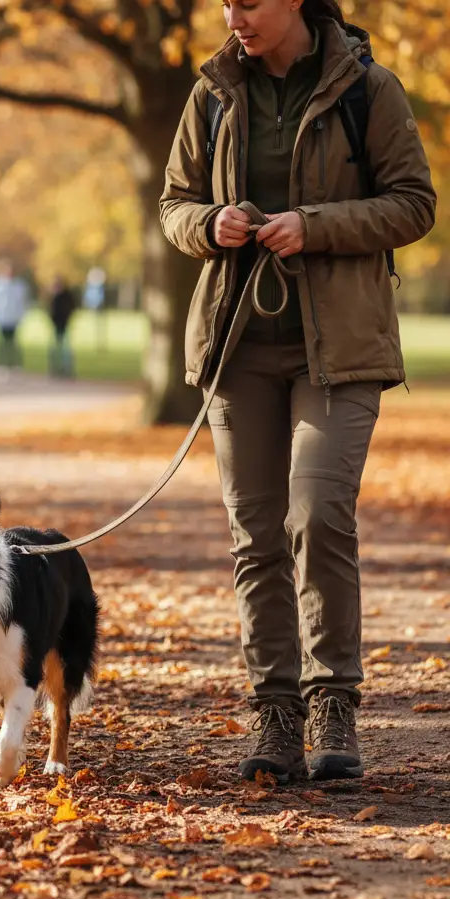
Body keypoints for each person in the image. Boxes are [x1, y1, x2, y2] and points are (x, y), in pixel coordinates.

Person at [159, 0, 435, 783]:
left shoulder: (366, 89)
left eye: (249, 1)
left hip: (340, 350)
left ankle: (332, 700)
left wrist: (314, 225)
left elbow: (414, 203)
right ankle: (276, 714)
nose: (232, 14)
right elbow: (173, 206)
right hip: (237, 347)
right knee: (256, 534)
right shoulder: (212, 92)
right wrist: (211, 225)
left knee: (317, 511)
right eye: (226, 1)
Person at [0, 258, 29, 369]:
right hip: (0, 317)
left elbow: (23, 301)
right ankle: (2, 363)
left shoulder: (19, 285)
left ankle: (14, 363)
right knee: (2, 342)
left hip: (14, 317)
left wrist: (22, 315)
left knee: (13, 341)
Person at [47, 275, 78, 378]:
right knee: (55, 348)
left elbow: (71, 308)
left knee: (66, 349)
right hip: (55, 325)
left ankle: (66, 370)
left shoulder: (66, 296)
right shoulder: (53, 296)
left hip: (64, 324)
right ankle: (55, 369)